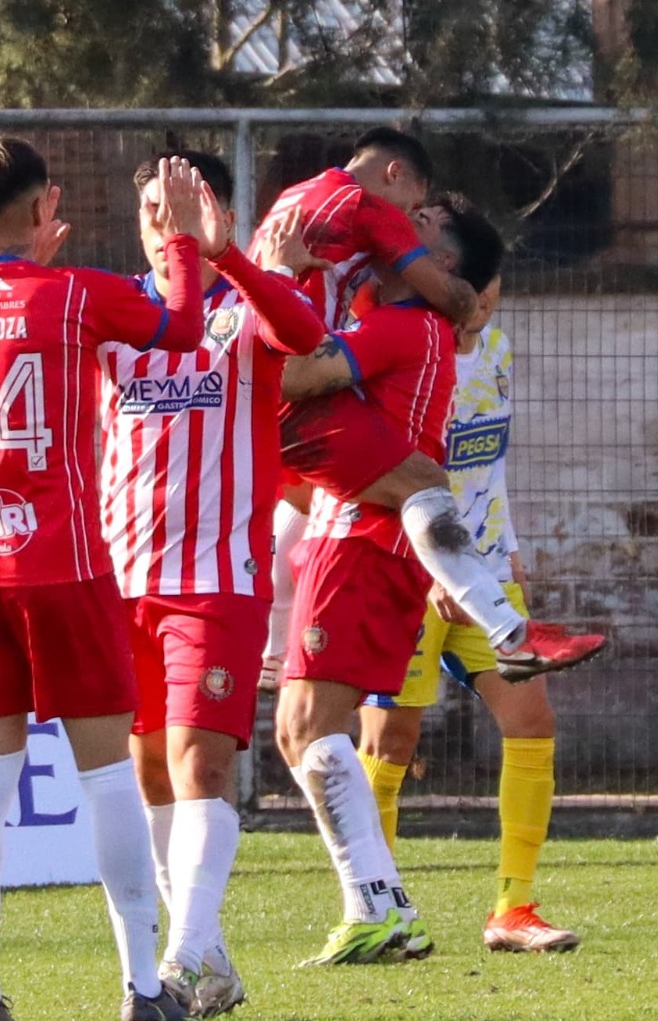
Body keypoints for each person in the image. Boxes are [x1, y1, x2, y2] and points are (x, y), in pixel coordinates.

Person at [0, 132, 206, 1021]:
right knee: (109, 778)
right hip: (64, 568)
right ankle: (144, 987)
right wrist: (182, 237)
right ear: (47, 208)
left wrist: (21, 258)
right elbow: (183, 329)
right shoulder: (75, 293)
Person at [97, 150, 325, 1018]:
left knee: (202, 759)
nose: (167, 227)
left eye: (182, 208)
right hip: (122, 579)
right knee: (149, 767)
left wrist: (228, 257)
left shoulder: (243, 305)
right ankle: (209, 953)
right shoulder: (115, 313)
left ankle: (186, 953)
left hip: (215, 577)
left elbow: (307, 338)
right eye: (153, 210)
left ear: (215, 213)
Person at [257, 127, 604, 692]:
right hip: (302, 418)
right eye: (416, 209)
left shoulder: (295, 199)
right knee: (420, 481)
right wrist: (467, 302)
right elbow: (445, 296)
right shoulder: (375, 222)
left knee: (312, 494)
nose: (408, 222)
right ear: (395, 176)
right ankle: (511, 636)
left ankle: (271, 650)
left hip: (264, 390)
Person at [270, 193, 502, 966]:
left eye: (419, 230)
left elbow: (296, 377)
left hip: (362, 544)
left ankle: (379, 906)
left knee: (310, 729)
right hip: (367, 537)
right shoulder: (422, 327)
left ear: (441, 268)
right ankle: (383, 903)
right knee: (299, 730)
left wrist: (284, 275)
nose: (393, 234)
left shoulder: (401, 324)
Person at [357, 277, 579, 954]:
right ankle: (376, 909)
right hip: (409, 570)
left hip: (483, 572)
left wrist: (506, 548)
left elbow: (489, 466)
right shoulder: (411, 358)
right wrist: (435, 570)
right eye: (464, 284)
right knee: (389, 743)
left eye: (488, 287)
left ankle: (514, 908)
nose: (477, 299)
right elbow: (386, 471)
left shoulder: (498, 351)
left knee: (532, 720)